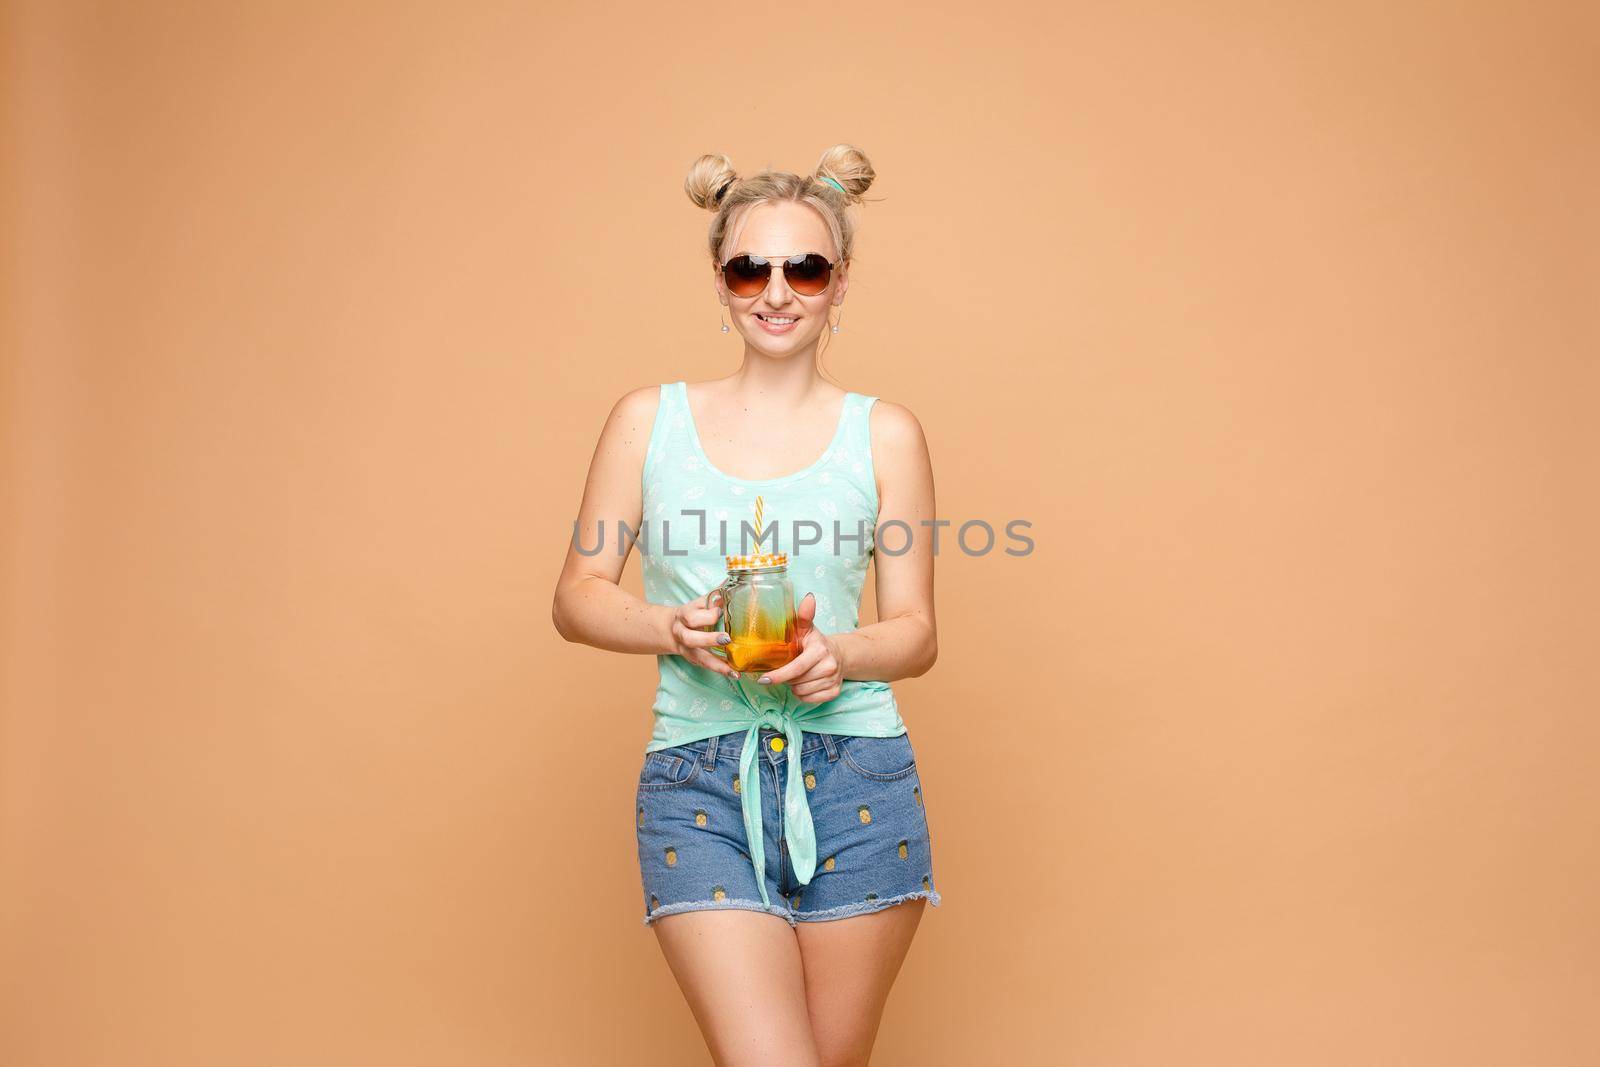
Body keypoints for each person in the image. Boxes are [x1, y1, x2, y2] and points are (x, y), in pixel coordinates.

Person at [552, 143, 941, 1066]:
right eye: (749, 267)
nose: (777, 291)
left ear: (839, 284)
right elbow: (575, 598)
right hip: (696, 782)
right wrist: (667, 627)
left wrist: (838, 655)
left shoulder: (885, 434)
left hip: (858, 780)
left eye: (805, 267)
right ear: (720, 282)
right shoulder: (648, 421)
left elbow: (918, 632)